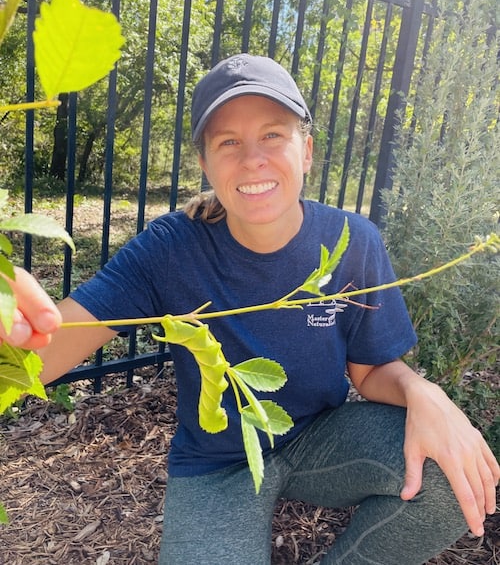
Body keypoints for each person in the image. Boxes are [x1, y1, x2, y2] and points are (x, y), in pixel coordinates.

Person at [2, 54, 498, 565]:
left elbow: (369, 371)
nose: (253, 159)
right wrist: (14, 329)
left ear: (305, 151)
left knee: (453, 471)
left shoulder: (353, 242)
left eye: (272, 136)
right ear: (206, 163)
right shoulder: (171, 249)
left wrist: (423, 391)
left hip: (317, 438)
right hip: (217, 465)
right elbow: (51, 349)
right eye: (228, 142)